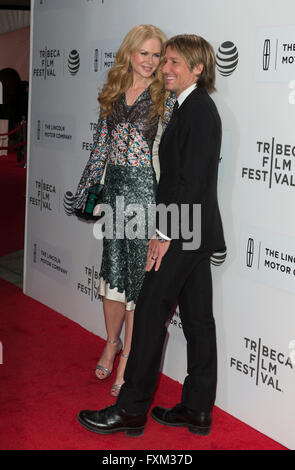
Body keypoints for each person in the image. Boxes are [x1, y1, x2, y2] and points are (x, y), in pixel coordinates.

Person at [77, 34, 226, 436]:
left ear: (198, 68)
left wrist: (162, 232)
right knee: (197, 322)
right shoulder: (188, 106)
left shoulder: (198, 110)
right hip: (192, 229)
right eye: (166, 62)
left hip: (182, 229)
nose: (166, 69)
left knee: (147, 313)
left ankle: (131, 409)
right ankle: (196, 409)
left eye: (175, 62)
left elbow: (191, 182)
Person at [73, 25, 171, 396]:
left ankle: (128, 357)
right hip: (114, 191)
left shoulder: (165, 97)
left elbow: (169, 157)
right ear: (129, 54)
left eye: (156, 54)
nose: (149, 61)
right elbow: (100, 148)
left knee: (136, 281)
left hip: (146, 193)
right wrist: (86, 191)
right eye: (143, 53)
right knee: (112, 275)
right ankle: (111, 342)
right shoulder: (112, 94)